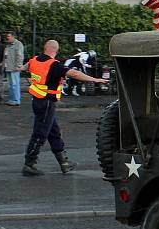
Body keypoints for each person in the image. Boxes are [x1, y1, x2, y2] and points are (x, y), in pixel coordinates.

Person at [21, 40, 108, 176]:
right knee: (40, 133)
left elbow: (26, 66)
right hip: (46, 103)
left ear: (45, 48)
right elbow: (74, 74)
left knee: (53, 132)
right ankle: (29, 164)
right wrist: (95, 80)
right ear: (56, 50)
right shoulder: (54, 65)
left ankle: (64, 163)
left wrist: (19, 68)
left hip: (37, 100)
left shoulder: (35, 60)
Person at [3, 32, 25, 106]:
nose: (7, 38)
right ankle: (11, 99)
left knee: (15, 85)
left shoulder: (18, 44)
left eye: (8, 36)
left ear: (13, 37)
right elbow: (5, 56)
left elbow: (20, 56)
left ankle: (16, 100)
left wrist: (18, 66)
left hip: (14, 68)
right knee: (10, 85)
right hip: (8, 68)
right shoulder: (8, 45)